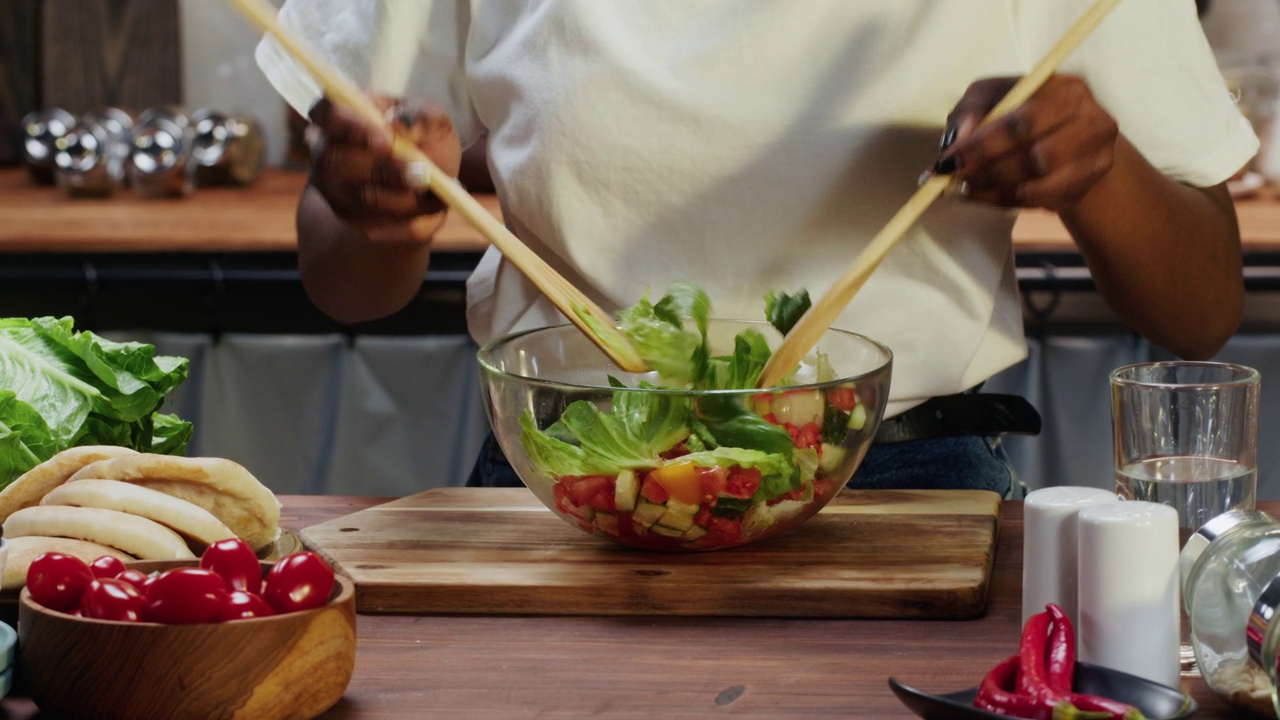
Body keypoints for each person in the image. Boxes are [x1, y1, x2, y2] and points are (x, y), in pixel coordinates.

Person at [256, 0, 1256, 499]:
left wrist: (1096, 167)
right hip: (568, 485)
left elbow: (1199, 308)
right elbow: (344, 282)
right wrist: (377, 204)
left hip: (910, 487)